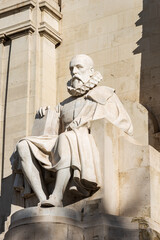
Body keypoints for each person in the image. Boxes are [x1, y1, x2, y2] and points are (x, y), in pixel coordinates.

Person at [12, 54, 133, 207]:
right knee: (24, 145)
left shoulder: (104, 94)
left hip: (82, 138)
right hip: (62, 140)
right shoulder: (64, 104)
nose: (74, 72)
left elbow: (123, 123)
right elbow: (52, 130)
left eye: (79, 67)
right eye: (71, 68)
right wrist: (47, 113)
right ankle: (42, 198)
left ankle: (57, 196)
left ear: (90, 71)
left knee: (67, 138)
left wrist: (86, 123)